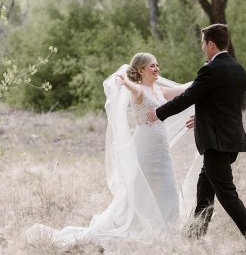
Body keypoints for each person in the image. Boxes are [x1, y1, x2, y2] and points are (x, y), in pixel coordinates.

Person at [25, 53, 191, 245]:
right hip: (145, 149)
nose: (157, 69)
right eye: (152, 66)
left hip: (162, 151)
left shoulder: (160, 91)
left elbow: (183, 90)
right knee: (139, 192)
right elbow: (132, 87)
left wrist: (206, 76)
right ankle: (142, 229)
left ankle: (167, 234)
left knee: (169, 189)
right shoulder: (139, 91)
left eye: (157, 65)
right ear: (141, 70)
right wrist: (124, 81)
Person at [147, 24, 246, 249]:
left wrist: (158, 113)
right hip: (231, 140)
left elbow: (188, 97)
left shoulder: (211, 69)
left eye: (203, 43)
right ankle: (194, 237)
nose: (202, 48)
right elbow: (224, 103)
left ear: (210, 44)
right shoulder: (238, 68)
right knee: (205, 189)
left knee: (227, 194)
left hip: (216, 143)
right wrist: (201, 118)